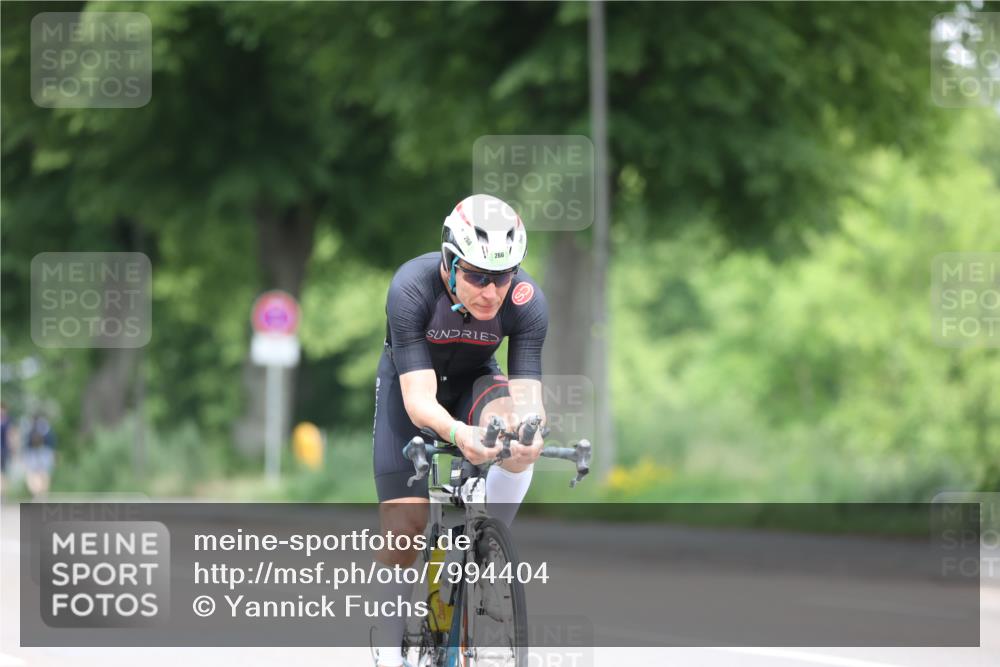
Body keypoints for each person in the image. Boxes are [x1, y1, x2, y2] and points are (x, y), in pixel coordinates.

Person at [371, 193, 548, 667]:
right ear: (449, 263)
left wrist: (529, 433)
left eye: (503, 277)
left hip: (474, 383)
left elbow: (528, 395)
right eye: (477, 276)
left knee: (517, 439)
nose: (492, 292)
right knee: (405, 529)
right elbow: (418, 399)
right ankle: (389, 652)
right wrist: (457, 435)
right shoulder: (412, 286)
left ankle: (486, 547)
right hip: (413, 391)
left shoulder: (527, 302)